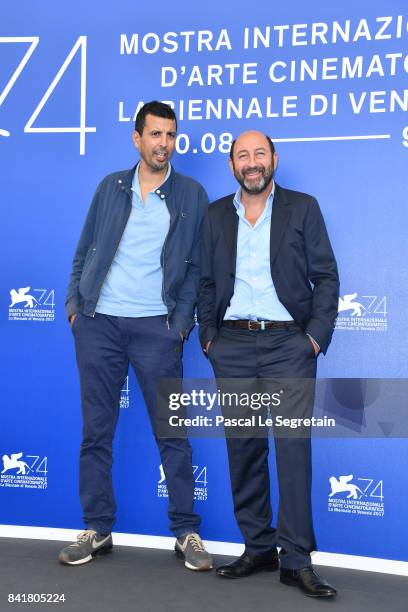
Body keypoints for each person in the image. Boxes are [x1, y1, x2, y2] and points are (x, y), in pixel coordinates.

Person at [59, 101, 212, 571]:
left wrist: (180, 325)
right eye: (155, 134)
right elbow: (85, 248)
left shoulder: (191, 194)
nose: (163, 143)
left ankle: (186, 531)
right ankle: (97, 528)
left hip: (156, 329)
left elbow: (198, 270)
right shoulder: (111, 187)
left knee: (173, 434)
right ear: (137, 138)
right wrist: (74, 307)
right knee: (96, 431)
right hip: (98, 324)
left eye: (170, 135)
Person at [198, 130, 339, 596]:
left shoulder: (303, 207)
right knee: (244, 450)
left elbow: (326, 278)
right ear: (232, 165)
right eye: (243, 155)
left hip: (288, 346)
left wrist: (314, 340)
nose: (252, 162)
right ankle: (257, 548)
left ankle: (295, 560)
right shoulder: (216, 214)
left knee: (293, 451)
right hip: (233, 345)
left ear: (274, 159)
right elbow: (203, 281)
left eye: (260, 153)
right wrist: (209, 337)